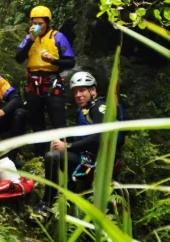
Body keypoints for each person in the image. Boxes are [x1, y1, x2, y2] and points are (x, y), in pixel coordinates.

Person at [33, 71, 125, 223]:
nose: (78, 95)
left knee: (52, 157)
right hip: (88, 157)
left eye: (82, 90)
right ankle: (62, 196)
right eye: (75, 91)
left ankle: (47, 205)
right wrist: (62, 141)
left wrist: (67, 146)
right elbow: (83, 137)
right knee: (54, 153)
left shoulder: (100, 108)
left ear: (93, 90)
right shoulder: (85, 110)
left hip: (101, 162)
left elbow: (99, 137)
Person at [14, 5, 75, 151]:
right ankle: (40, 156)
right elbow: (18, 58)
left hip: (52, 80)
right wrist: (30, 40)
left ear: (47, 22)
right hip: (33, 82)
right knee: (37, 122)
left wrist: (54, 61)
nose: (37, 26)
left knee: (58, 121)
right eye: (34, 23)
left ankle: (63, 155)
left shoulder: (57, 36)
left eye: (40, 23)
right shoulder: (28, 39)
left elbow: (70, 62)